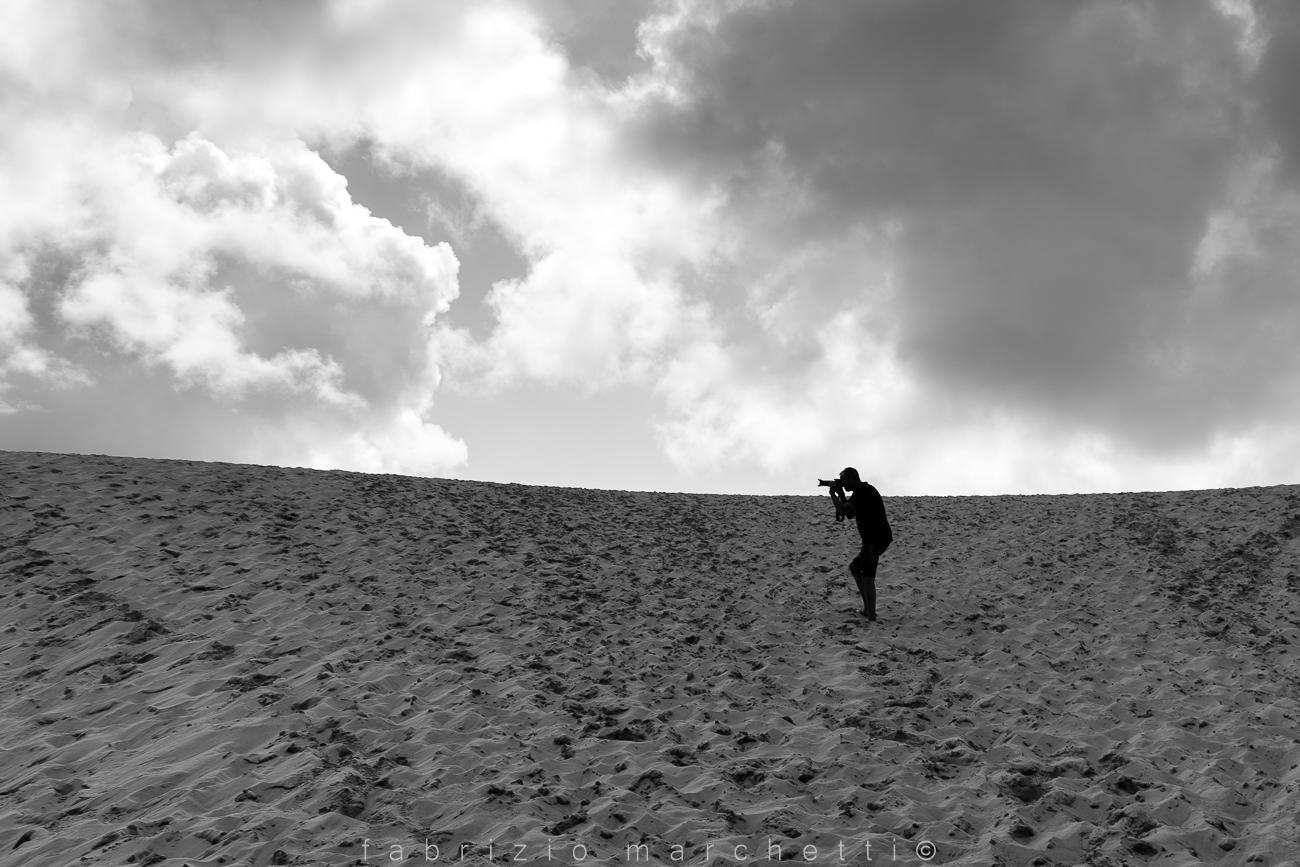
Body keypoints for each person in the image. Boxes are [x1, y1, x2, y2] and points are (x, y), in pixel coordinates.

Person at [836, 467, 892, 621]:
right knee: (855, 567)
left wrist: (832, 495)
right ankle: (868, 609)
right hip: (876, 538)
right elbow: (850, 513)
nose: (842, 483)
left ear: (852, 479)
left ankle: (871, 616)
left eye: (843, 480)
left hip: (874, 538)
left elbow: (842, 511)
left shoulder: (862, 491)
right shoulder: (862, 491)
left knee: (868, 577)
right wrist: (840, 493)